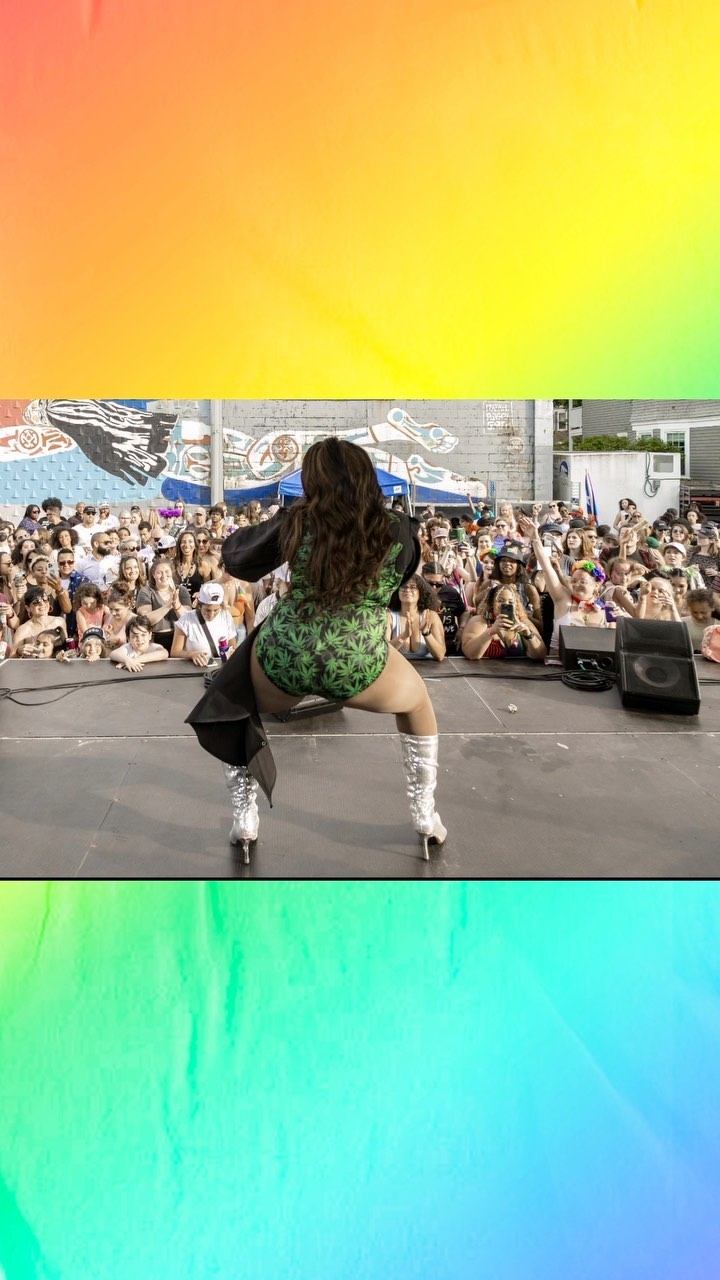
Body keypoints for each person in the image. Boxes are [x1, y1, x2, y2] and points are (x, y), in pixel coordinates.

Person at [187, 438, 445, 861]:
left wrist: (283, 518)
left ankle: (245, 818)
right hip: (357, 658)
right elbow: (400, 580)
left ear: (311, 480)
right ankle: (425, 815)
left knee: (233, 701)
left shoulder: (298, 521)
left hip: (286, 655)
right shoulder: (399, 527)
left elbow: (238, 558)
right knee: (418, 705)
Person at [517, 515, 615, 656]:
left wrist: (618, 618)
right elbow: (546, 567)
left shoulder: (606, 610)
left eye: (583, 582)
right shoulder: (563, 600)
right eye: (573, 581)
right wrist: (535, 538)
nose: (576, 585)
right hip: (558, 666)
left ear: (597, 584)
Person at [461, 583, 547, 661]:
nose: (505, 604)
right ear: (492, 603)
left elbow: (540, 655)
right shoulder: (480, 621)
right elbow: (470, 654)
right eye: (500, 601)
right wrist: (491, 631)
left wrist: (528, 634)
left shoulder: (523, 622)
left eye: (510, 602)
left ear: (516, 605)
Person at [171, 581, 238, 666]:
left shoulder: (226, 615)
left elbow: (232, 644)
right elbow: (175, 652)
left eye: (216, 610)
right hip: (195, 669)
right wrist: (192, 654)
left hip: (221, 668)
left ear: (221, 606)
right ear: (199, 606)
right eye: (207, 610)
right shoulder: (186, 620)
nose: (211, 614)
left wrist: (232, 651)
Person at [136, 558, 192, 651]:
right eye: (159, 573)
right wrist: (168, 605)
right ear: (153, 574)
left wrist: (177, 605)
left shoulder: (182, 590)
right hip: (154, 638)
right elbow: (145, 619)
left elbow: (188, 618)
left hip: (178, 637)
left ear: (172, 572)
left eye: (167, 571)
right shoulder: (146, 592)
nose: (164, 576)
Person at [387, 574, 446, 662]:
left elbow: (440, 655)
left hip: (428, 669)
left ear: (420, 592)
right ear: (397, 592)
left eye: (413, 587)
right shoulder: (389, 616)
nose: (408, 590)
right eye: (403, 587)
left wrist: (426, 633)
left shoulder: (431, 616)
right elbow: (384, 652)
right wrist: (404, 636)